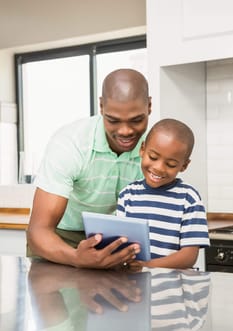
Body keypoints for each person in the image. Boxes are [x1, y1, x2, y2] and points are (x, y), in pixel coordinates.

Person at [27, 68, 152, 269]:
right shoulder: (71, 143)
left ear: (149, 106)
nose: (125, 131)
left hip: (115, 239)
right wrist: (77, 257)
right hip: (61, 238)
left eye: (136, 120)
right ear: (101, 106)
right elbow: (38, 231)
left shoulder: (153, 149)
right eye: (113, 120)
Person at [116, 118, 210, 269]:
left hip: (173, 288)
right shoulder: (127, 195)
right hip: (136, 286)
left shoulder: (189, 198)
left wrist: (148, 265)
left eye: (171, 164)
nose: (159, 168)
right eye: (153, 157)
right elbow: (121, 244)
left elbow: (189, 256)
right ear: (142, 150)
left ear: (184, 165)